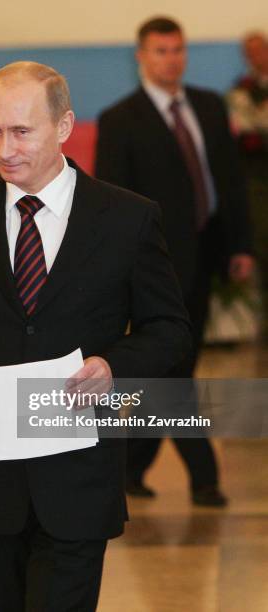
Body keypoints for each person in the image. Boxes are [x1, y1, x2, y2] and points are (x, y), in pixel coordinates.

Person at [0, 61, 191, 611]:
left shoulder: (128, 219)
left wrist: (112, 366)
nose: (3, 148)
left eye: (21, 131)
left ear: (64, 126)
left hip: (78, 481)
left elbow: (168, 329)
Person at [96, 16, 254, 506]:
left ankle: (129, 466)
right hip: (152, 269)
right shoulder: (121, 119)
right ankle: (203, 475)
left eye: (178, 49)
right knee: (173, 369)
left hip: (206, 257)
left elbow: (229, 182)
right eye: (161, 51)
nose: (172, 59)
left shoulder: (208, 106)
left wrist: (240, 246)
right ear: (141, 56)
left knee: (170, 369)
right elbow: (111, 203)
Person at [228, 32, 268, 339]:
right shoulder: (241, 90)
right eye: (250, 51)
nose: (257, 55)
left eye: (261, 49)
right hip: (257, 181)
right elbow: (246, 133)